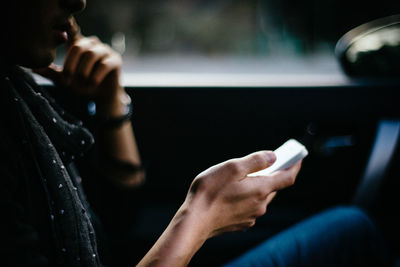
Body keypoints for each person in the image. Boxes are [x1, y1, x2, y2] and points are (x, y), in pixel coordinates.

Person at [0, 0, 391, 266]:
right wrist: (200, 215)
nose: (78, 2)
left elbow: (117, 222)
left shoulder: (21, 97)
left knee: (349, 229)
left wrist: (111, 102)